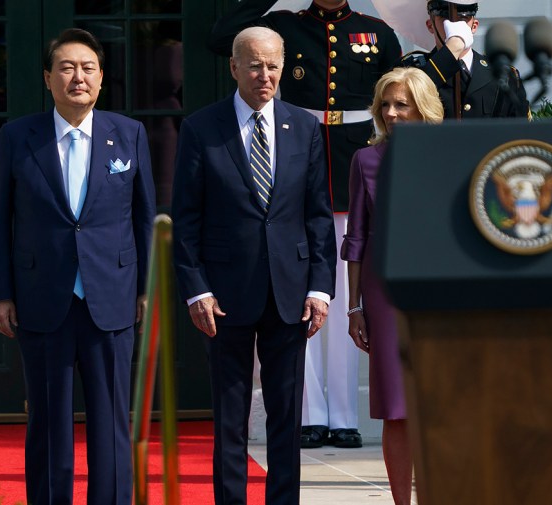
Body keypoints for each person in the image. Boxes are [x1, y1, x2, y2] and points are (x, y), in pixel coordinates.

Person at [208, 0, 402, 449]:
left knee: (344, 298)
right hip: (291, 166)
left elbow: (401, 97)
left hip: (352, 165)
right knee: (300, 300)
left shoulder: (376, 31)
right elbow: (219, 39)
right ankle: (310, 413)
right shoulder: (281, 25)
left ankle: (343, 415)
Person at [0, 28, 155, 505]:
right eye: (66, 67)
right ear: (47, 78)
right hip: (42, 300)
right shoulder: (18, 137)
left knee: (111, 423)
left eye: (87, 68)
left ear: (101, 78)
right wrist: (1, 293)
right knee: (48, 422)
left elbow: (144, 217)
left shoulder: (129, 133)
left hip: (112, 299)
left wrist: (145, 289)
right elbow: (0, 221)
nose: (77, 77)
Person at [172, 26, 337, 505]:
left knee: (287, 415)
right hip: (224, 296)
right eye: (254, 65)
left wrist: (321, 288)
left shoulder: (303, 126)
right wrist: (196, 289)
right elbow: (186, 219)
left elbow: (317, 214)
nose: (265, 75)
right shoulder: (202, 128)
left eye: (273, 66)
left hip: (291, 293)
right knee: (229, 417)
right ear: (234, 67)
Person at [341, 66, 443, 505]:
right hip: (384, 298)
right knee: (397, 411)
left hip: (442, 297)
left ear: (424, 107)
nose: (392, 113)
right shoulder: (365, 160)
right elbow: (356, 239)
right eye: (386, 104)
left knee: (442, 404)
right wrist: (354, 306)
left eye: (402, 104)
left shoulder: (451, 155)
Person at [399, 0, 530, 118]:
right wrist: (452, 48)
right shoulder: (410, 71)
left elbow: (521, 137)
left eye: (463, 17)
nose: (455, 25)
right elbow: (401, 105)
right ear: (430, 26)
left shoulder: (504, 76)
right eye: (445, 17)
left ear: (474, 26)